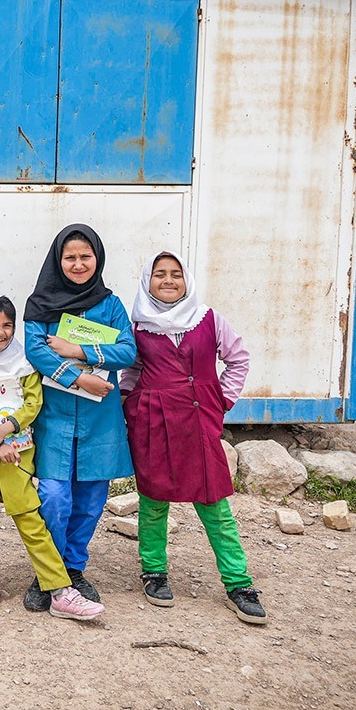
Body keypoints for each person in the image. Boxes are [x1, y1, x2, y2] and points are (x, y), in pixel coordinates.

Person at [119, 251, 265, 624]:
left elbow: (239, 358)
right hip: (153, 422)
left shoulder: (209, 319)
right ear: (147, 281)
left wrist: (223, 400)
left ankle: (238, 583)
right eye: (159, 275)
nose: (168, 281)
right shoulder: (137, 326)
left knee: (214, 503)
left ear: (187, 280)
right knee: (152, 501)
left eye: (176, 274)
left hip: (199, 421)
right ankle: (153, 572)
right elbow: (132, 373)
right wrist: (130, 408)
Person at [0, 295, 103, 621]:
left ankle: (59, 590)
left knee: (30, 519)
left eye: (7, 325)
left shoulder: (22, 363)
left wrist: (8, 428)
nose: (0, 332)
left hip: (17, 454)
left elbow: (33, 403)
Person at [22, 224, 136, 611]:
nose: (78, 263)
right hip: (54, 417)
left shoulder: (112, 305)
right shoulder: (40, 304)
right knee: (53, 496)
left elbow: (128, 351)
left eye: (85, 256)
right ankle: (47, 573)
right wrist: (80, 378)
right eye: (70, 257)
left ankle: (73, 569)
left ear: (97, 258)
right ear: (58, 259)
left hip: (99, 419)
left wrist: (79, 349)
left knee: (90, 500)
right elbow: (36, 351)